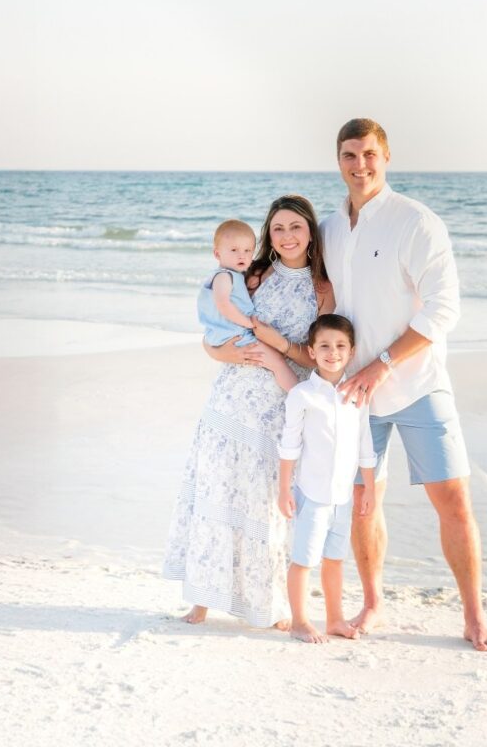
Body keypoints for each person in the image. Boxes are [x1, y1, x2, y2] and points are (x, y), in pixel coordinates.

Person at [320, 118, 487, 652]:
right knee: (362, 502)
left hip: (419, 382)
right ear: (338, 161)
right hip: (356, 393)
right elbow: (321, 296)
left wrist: (382, 362)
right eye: (350, 156)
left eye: (370, 155)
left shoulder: (416, 223)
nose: (360, 166)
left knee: (453, 499)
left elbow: (445, 308)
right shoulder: (331, 229)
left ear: (387, 157)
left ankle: (474, 616)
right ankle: (373, 603)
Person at [163, 195, 334, 628]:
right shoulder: (253, 274)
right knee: (217, 490)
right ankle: (202, 597)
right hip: (231, 398)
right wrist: (224, 354)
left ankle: (271, 603)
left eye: (295, 227)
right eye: (278, 228)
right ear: (267, 236)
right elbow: (214, 333)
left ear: (310, 231)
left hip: (278, 405)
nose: (287, 236)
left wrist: (277, 352)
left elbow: (317, 358)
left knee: (265, 502)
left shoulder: (322, 288)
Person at [277, 314, 376, 644]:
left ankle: (334, 618)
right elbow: (289, 444)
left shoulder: (357, 394)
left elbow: (365, 445)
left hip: (343, 497)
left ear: (351, 351)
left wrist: (369, 489)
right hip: (312, 493)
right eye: (324, 346)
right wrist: (283, 491)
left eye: (340, 346)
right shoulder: (303, 395)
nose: (332, 352)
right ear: (312, 350)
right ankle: (300, 621)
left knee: (335, 559)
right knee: (304, 560)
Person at [197, 219, 259, 347]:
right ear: (217, 254)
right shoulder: (224, 276)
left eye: (247, 250)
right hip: (233, 333)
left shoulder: (236, 275)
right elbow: (223, 304)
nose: (242, 255)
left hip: (233, 332)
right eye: (234, 250)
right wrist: (249, 324)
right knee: (273, 357)